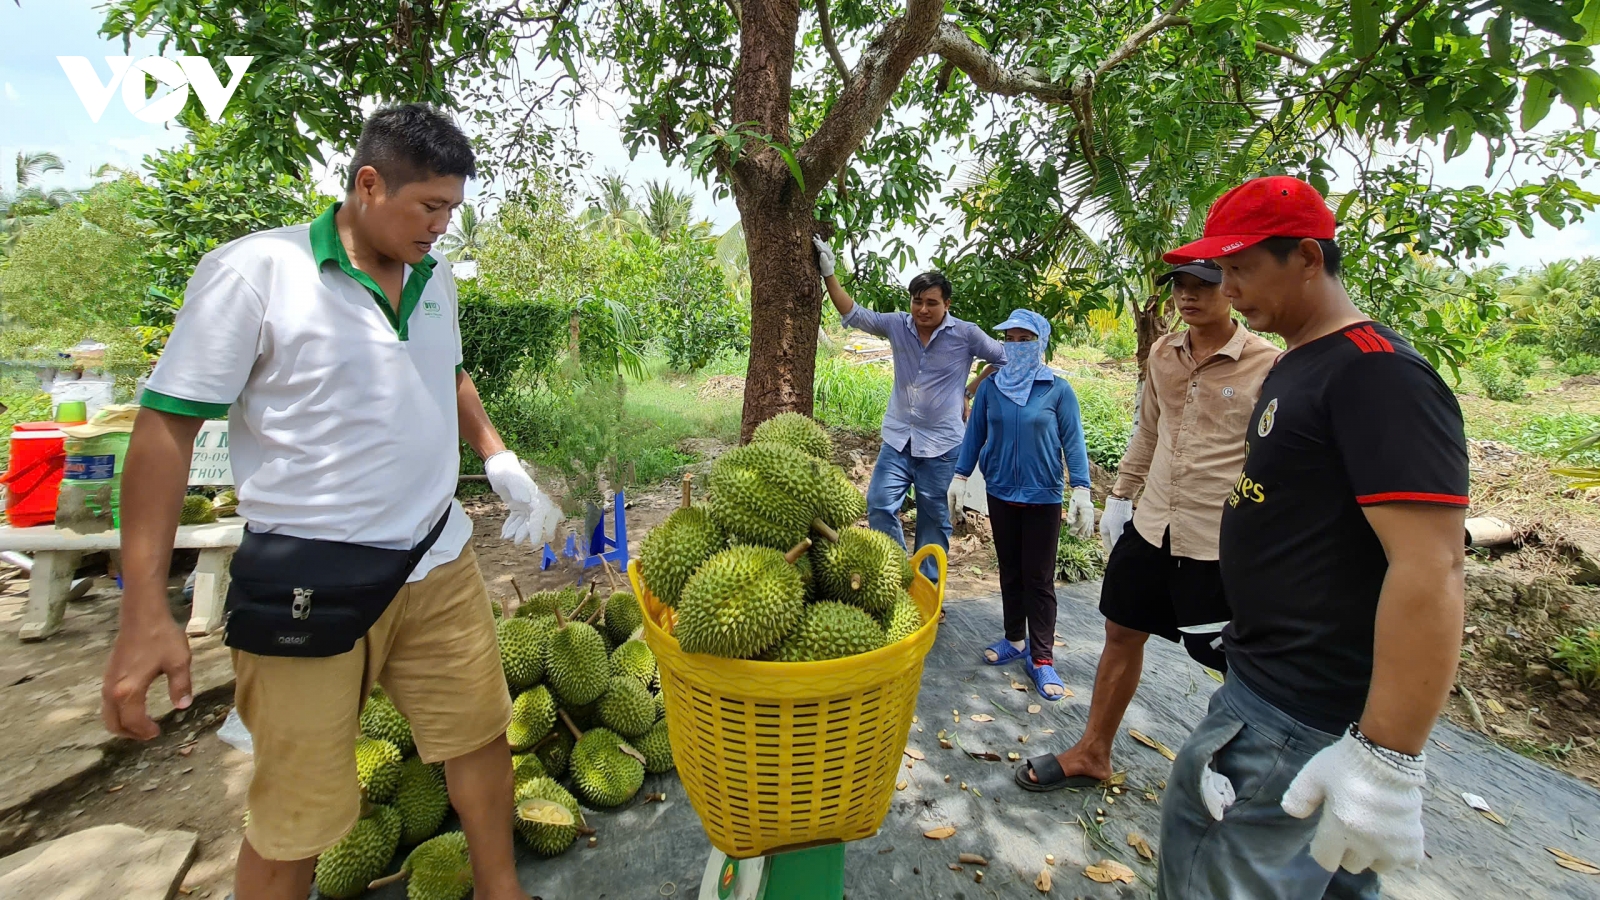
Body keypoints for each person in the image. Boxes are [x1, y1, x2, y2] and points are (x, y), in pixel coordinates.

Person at [100, 105, 557, 900]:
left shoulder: (435, 278)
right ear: (368, 184)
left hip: (437, 560)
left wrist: (497, 455)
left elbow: (444, 373)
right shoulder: (256, 273)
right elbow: (166, 429)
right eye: (428, 207)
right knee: (296, 818)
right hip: (310, 584)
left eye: (452, 208)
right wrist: (145, 605)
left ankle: (499, 889)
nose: (441, 227)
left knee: (480, 739)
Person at [1155, 176, 1469, 899]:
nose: (1227, 290)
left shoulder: (1377, 375)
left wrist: (1387, 760)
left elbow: (1432, 564)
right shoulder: (1299, 360)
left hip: (1295, 716)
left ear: (1305, 256)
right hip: (1270, 686)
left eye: (1240, 269)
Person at [1017, 259, 1278, 790]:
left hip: (1217, 539)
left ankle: (1249, 781)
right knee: (1121, 631)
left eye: (1202, 286)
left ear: (1230, 288)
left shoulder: (1267, 365)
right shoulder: (1164, 353)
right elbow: (1149, 432)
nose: (1189, 296)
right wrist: (1120, 496)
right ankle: (1093, 751)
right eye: (1180, 287)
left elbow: (1276, 461)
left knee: (1231, 661)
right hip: (1153, 523)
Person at [813, 237, 1005, 580]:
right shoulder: (897, 325)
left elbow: (1003, 358)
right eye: (917, 301)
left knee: (934, 520)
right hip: (899, 440)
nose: (923, 310)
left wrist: (970, 391)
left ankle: (928, 588)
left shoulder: (966, 334)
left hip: (944, 446)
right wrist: (829, 273)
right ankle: (899, 575)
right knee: (879, 504)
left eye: (932, 303)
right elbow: (854, 313)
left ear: (946, 304)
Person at [949, 309, 1093, 700]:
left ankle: (1042, 658)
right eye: (1009, 340)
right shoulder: (992, 388)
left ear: (1040, 343)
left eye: (1024, 340)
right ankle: (1015, 639)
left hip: (1042, 494)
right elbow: (974, 434)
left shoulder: (1056, 390)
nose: (1015, 347)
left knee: (1039, 578)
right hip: (1000, 492)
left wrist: (1081, 487)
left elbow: (1073, 442)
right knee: (1010, 570)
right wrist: (960, 478)